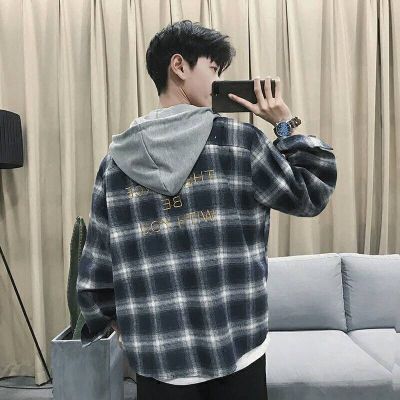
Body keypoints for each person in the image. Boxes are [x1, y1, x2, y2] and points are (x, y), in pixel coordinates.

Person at [77, 19, 337, 400]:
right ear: (179, 66)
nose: (218, 81)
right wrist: (284, 123)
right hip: (238, 351)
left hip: (159, 363)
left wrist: (123, 326)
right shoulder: (240, 143)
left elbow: (96, 274)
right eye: (214, 68)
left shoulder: (114, 164)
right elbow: (311, 191)